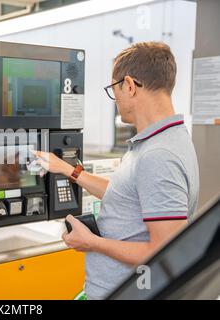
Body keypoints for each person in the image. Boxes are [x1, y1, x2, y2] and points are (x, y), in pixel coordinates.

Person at [34, 42, 199, 300]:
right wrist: (69, 170)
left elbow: (165, 251)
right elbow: (129, 196)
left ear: (130, 85)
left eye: (114, 89)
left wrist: (92, 242)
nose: (116, 99)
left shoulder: (158, 156)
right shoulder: (162, 141)